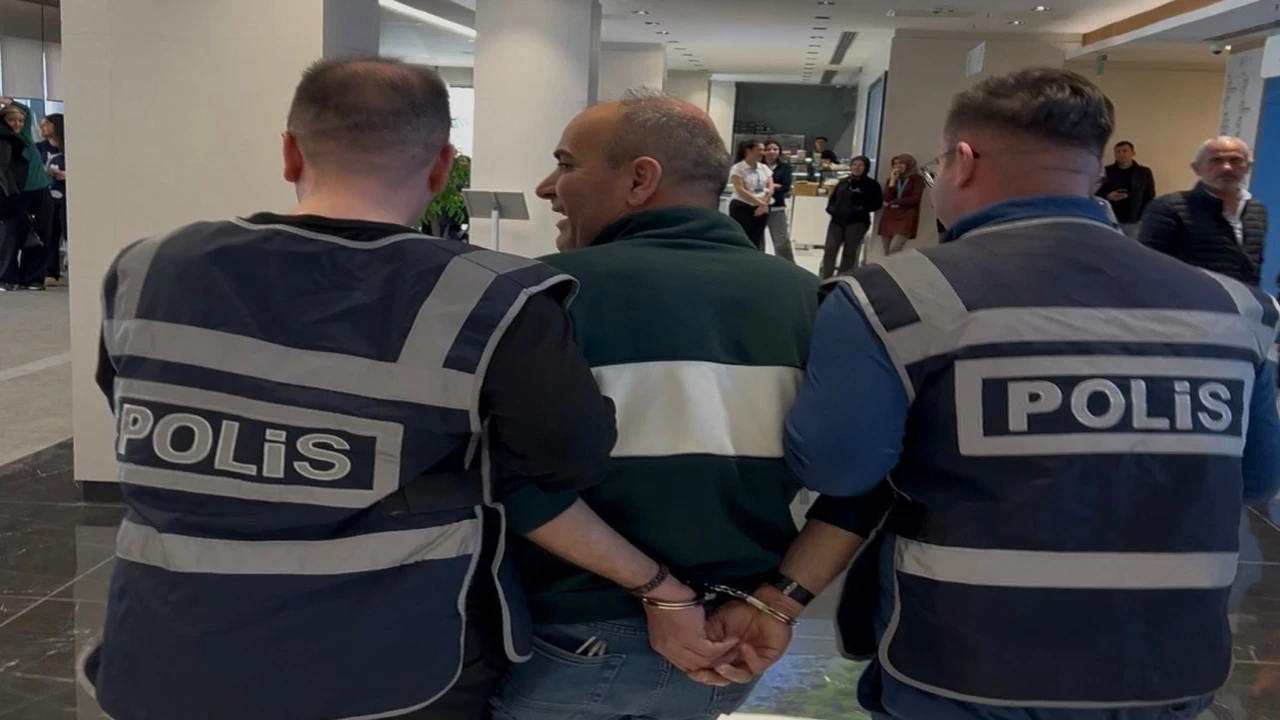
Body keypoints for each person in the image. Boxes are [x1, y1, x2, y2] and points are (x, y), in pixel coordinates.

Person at [82, 58, 718, 720]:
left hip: (166, 654)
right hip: (388, 669)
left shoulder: (148, 267)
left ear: (290, 152)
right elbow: (568, 460)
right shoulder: (492, 297)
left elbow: (128, 401)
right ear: (442, 167)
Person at [756, 67, 1280, 720]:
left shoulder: (893, 299)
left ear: (964, 160)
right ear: (1095, 172)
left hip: (964, 666)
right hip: (1169, 665)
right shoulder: (1236, 309)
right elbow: (1257, 479)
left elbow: (839, 469)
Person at [503, 87, 821, 720]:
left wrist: (662, 592)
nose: (546, 187)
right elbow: (860, 486)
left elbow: (508, 478)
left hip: (568, 635)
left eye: (565, 164)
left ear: (640, 179)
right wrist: (779, 603)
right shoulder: (813, 301)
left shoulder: (542, 297)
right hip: (734, 639)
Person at [1139, 136, 1267, 286]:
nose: (1227, 167)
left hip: (1241, 299)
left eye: (1235, 160)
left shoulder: (1256, 210)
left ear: (1248, 167)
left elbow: (1254, 266)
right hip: (1189, 298)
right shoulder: (1168, 208)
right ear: (1196, 168)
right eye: (1216, 161)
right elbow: (1148, 266)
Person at [0, 99, 52, 291]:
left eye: (20, 121)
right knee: (11, 235)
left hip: (40, 190)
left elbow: (27, 113)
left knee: (40, 233)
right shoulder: (3, 139)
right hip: (15, 193)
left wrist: (8, 101)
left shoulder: (25, 137)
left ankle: (33, 278)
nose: (17, 124)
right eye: (12, 120)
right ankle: (7, 278)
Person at [821, 155, 882, 278]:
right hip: (837, 221)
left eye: (860, 165)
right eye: (854, 165)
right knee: (830, 249)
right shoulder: (843, 182)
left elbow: (877, 203)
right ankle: (825, 277)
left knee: (849, 252)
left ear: (866, 167)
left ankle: (843, 278)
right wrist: (832, 209)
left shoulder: (872, 185)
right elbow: (833, 199)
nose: (856, 167)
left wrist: (860, 209)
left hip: (857, 222)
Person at [1094, 140, 1155, 237]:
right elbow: (1095, 193)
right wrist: (1108, 196)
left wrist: (1143, 217)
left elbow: (1150, 196)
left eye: (1124, 151)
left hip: (1134, 220)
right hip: (1110, 218)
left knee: (1131, 244)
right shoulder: (1107, 171)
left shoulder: (1143, 172)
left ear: (1133, 153)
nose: (1121, 154)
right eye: (1118, 151)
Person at [728, 139, 774, 251]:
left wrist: (763, 204)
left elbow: (770, 187)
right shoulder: (737, 169)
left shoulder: (763, 168)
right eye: (759, 150)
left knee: (757, 239)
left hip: (762, 208)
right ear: (748, 150)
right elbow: (741, 190)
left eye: (763, 150)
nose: (762, 153)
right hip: (743, 206)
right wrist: (760, 203)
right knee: (742, 238)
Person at [877, 154, 924, 256]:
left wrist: (894, 202)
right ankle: (888, 267)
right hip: (889, 216)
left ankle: (896, 267)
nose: (898, 166)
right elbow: (886, 198)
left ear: (908, 164)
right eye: (895, 164)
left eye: (901, 163)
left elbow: (914, 199)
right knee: (886, 252)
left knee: (895, 248)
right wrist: (892, 181)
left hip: (906, 216)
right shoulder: (892, 178)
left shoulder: (917, 179)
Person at [762, 139, 796, 262]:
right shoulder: (758, 166)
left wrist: (768, 186)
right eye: (768, 149)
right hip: (758, 207)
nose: (772, 152)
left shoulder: (785, 167)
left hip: (777, 207)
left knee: (781, 240)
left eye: (775, 149)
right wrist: (774, 186)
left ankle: (787, 265)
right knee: (757, 239)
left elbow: (786, 187)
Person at [42, 113, 65, 285]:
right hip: (48, 196)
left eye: (46, 124)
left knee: (68, 232)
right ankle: (50, 271)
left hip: (66, 196)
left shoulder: (69, 147)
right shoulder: (39, 148)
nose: (42, 127)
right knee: (50, 234)